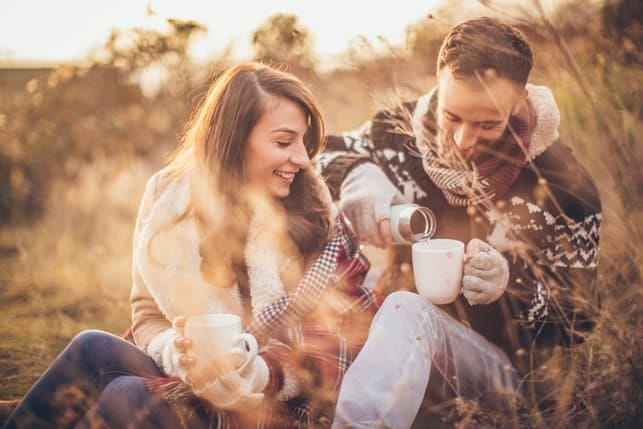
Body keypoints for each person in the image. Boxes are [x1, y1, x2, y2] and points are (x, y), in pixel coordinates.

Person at [3, 62, 381, 429]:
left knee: (128, 394)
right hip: (191, 381)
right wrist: (179, 354)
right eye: (284, 141)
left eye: (303, 140)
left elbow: (338, 342)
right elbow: (147, 314)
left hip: (274, 403)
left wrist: (255, 370)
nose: (302, 158)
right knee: (91, 347)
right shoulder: (170, 198)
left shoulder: (319, 217)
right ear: (234, 140)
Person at [318, 16, 602, 428]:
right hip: (391, 353)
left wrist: (512, 283)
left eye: (487, 123)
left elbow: (582, 319)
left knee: (406, 309)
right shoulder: (395, 133)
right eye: (453, 116)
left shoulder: (562, 186)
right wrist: (361, 179)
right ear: (438, 82)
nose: (463, 140)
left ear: (520, 99)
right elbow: (314, 155)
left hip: (497, 374)